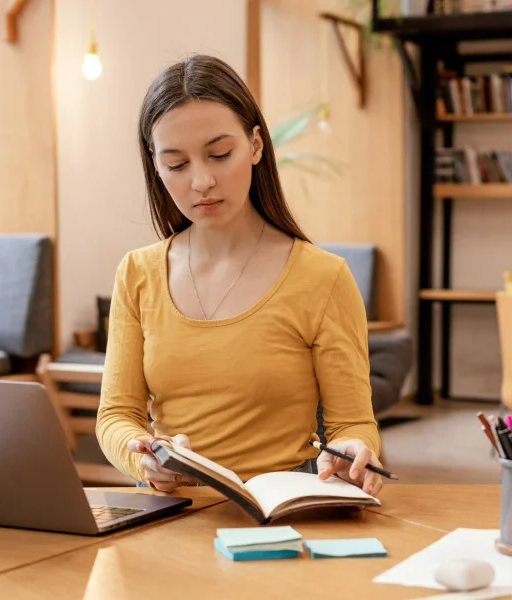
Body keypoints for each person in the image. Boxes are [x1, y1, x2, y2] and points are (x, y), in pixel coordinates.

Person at [95, 54, 384, 497]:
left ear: (255, 145)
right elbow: (116, 416)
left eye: (219, 154)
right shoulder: (138, 273)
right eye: (177, 164)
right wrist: (145, 455)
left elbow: (353, 423)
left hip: (283, 505)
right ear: (155, 164)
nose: (202, 181)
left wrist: (352, 450)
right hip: (170, 513)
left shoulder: (323, 277)